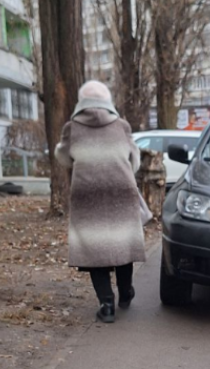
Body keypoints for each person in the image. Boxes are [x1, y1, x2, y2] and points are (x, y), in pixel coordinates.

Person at [55, 81, 146, 323]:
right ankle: (126, 293)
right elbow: (134, 161)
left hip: (87, 194)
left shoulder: (71, 128)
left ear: (80, 101)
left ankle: (107, 305)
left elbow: (64, 158)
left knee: (94, 248)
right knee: (122, 244)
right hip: (121, 192)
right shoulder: (122, 126)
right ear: (107, 101)